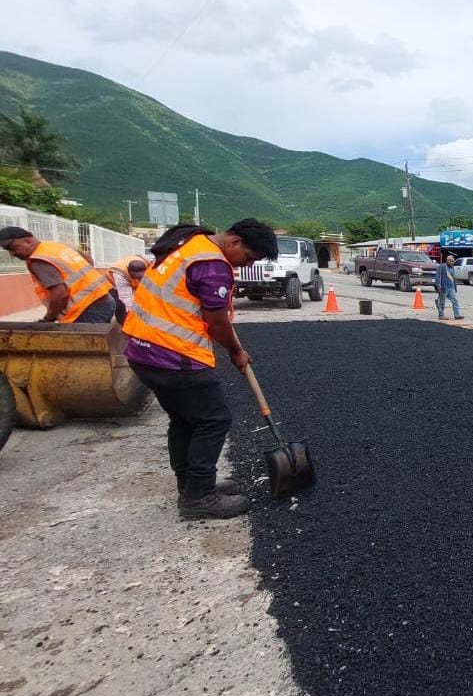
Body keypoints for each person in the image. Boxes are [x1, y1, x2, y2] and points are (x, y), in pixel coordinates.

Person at [122, 220, 279, 520]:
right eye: (248, 258)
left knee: (185, 420)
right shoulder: (211, 264)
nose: (246, 266)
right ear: (234, 242)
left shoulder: (188, 245)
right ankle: (199, 498)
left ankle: (192, 486)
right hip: (173, 355)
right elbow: (217, 320)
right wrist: (236, 351)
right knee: (213, 420)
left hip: (143, 350)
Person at [0, 227, 117, 324]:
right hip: (103, 300)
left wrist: (48, 319)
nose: (12, 253)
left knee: (80, 348)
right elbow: (87, 258)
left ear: (28, 241)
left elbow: (59, 293)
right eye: (8, 250)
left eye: (13, 248)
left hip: (85, 309)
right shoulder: (55, 247)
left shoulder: (39, 260)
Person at [434, 253, 463, 320]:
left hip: (451, 288)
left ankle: (457, 315)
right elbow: (437, 277)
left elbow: (453, 278)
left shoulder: (452, 268)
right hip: (443, 288)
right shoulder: (441, 267)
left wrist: (455, 287)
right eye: (450, 261)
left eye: (453, 261)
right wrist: (438, 287)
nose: (452, 262)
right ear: (447, 261)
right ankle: (441, 315)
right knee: (442, 302)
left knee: (455, 301)